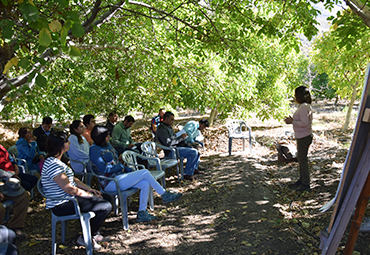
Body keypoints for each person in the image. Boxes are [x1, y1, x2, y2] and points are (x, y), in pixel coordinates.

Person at [90, 125, 183, 222]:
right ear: (101, 137)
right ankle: (164, 194)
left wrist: (128, 169)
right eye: (107, 135)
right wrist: (121, 167)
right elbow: (103, 168)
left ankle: (142, 213)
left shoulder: (107, 145)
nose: (109, 137)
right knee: (145, 172)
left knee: (145, 183)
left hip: (119, 177)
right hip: (110, 182)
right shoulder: (94, 149)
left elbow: (116, 161)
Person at [41, 131, 112, 250]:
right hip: (62, 204)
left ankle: (93, 233)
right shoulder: (53, 164)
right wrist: (89, 196)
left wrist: (89, 189)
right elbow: (69, 189)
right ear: (60, 145)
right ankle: (85, 237)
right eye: (67, 141)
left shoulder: (59, 161)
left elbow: (73, 179)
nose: (69, 143)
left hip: (70, 199)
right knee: (105, 206)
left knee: (105, 197)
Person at [156, 112, 202, 181]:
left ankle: (193, 169)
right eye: (171, 120)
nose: (173, 121)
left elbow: (173, 138)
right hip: (171, 151)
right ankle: (187, 174)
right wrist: (181, 138)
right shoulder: (162, 129)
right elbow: (169, 143)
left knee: (196, 149)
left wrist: (182, 138)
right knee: (193, 152)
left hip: (176, 147)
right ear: (166, 119)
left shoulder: (168, 127)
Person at [284, 86, 313, 191]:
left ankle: (306, 183)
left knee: (303, 160)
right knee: (301, 159)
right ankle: (302, 180)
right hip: (303, 136)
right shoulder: (304, 106)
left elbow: (305, 123)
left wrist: (292, 122)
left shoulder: (304, 107)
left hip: (304, 136)